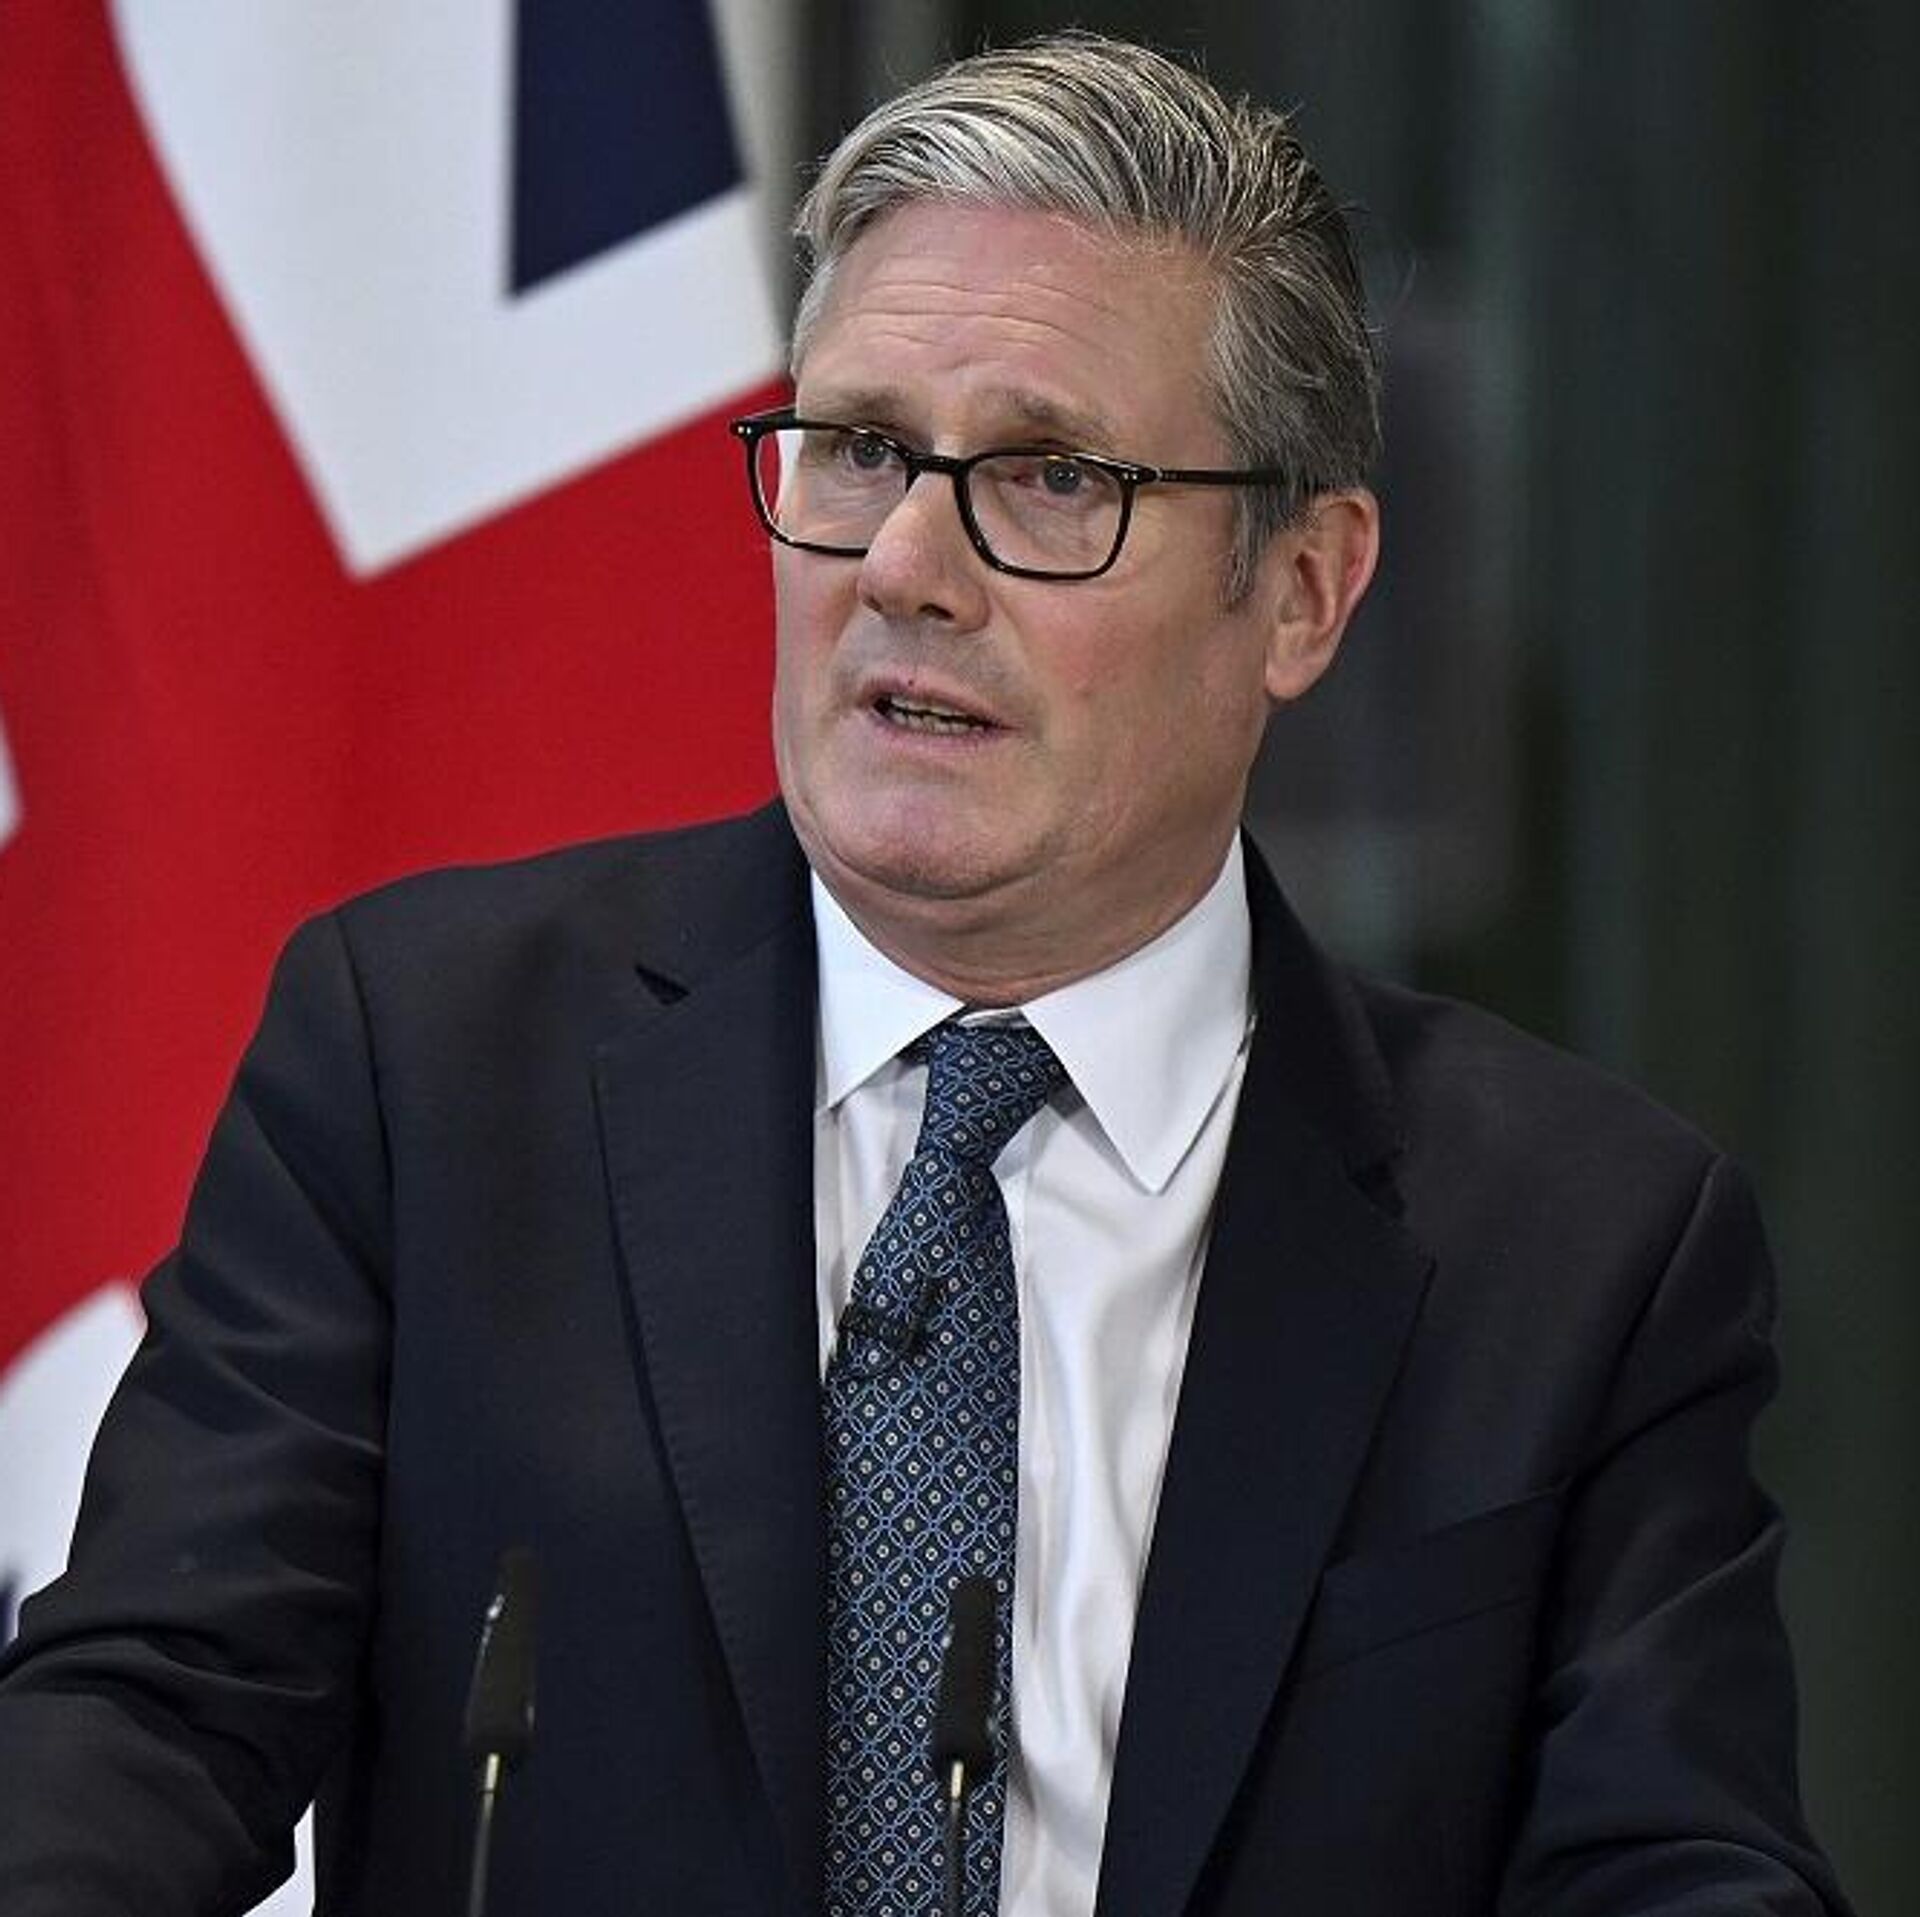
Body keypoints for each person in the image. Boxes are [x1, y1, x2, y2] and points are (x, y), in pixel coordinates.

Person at [0, 31, 1849, 1917]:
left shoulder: (1584, 1251)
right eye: (864, 447)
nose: (902, 565)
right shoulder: (425, 1069)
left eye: (1050, 476)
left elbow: (1678, 1867)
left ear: (1302, 590)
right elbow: (147, 1719)